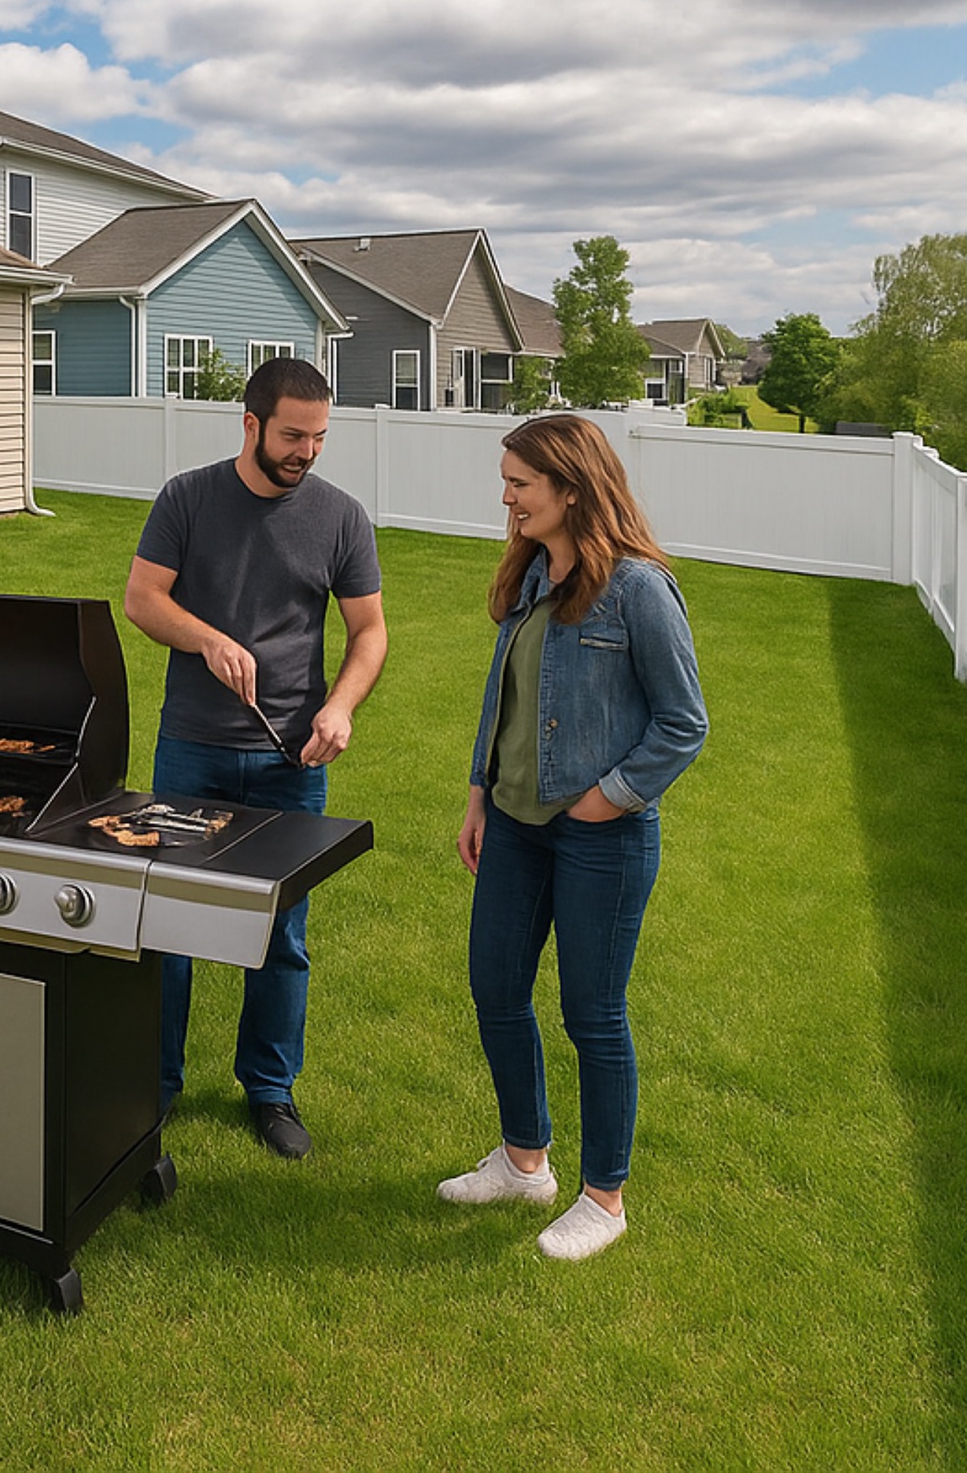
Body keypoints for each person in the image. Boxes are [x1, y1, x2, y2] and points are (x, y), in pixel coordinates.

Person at [442, 414, 706, 1261]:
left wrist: (609, 798)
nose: (507, 495)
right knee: (495, 989)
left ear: (572, 487)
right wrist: (481, 792)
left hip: (603, 840)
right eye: (507, 479)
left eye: (521, 482)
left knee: (592, 1013)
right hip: (516, 828)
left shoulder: (638, 589)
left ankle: (605, 1198)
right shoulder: (531, 575)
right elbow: (504, 693)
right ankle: (525, 1162)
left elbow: (683, 721)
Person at [124, 356, 387, 1158]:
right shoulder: (188, 498)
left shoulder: (341, 517)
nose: (307, 450)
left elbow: (369, 632)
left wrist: (339, 706)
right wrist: (207, 639)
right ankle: (150, 1088)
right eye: (293, 434)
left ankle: (270, 1089)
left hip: (290, 764)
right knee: (164, 923)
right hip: (192, 751)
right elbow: (142, 600)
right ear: (251, 423)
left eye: (319, 436)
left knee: (283, 932)